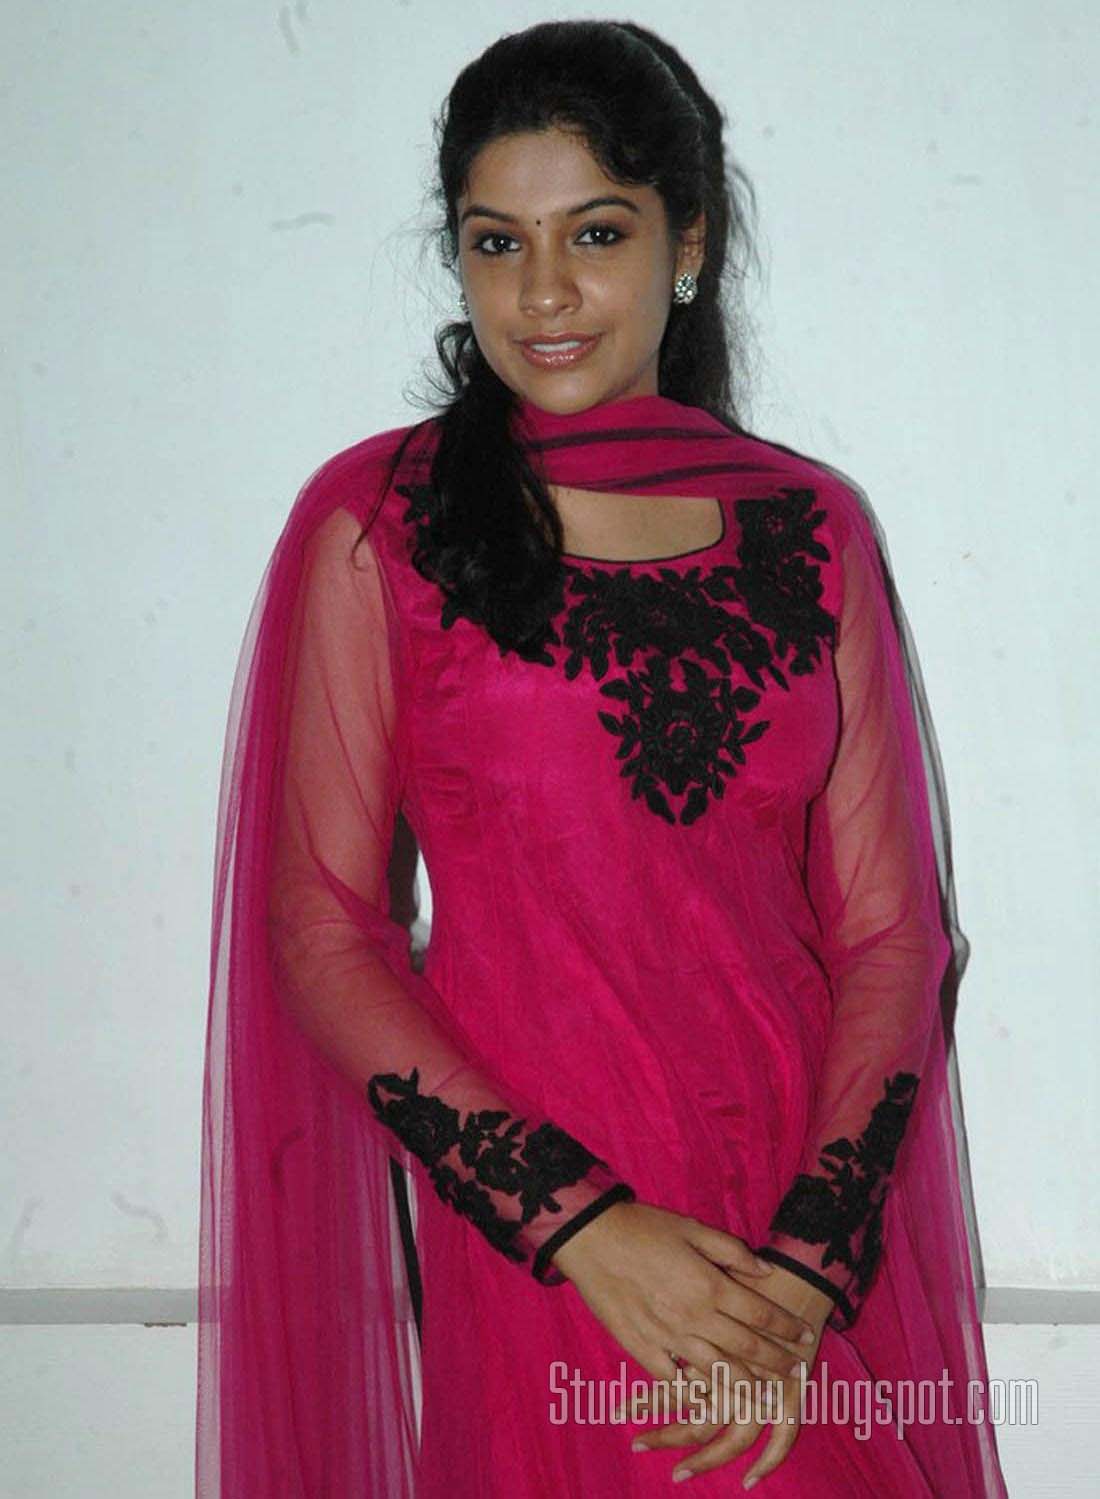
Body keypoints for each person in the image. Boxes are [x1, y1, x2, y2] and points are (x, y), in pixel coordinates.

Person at [195, 19, 1009, 1497]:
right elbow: (322, 931)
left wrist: (804, 1274)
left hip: (799, 1234)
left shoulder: (809, 528)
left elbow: (893, 934)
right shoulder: (384, 527)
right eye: (496, 242)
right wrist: (584, 1228)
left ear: (687, 244)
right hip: (544, 1226)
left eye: (597, 232)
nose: (545, 292)